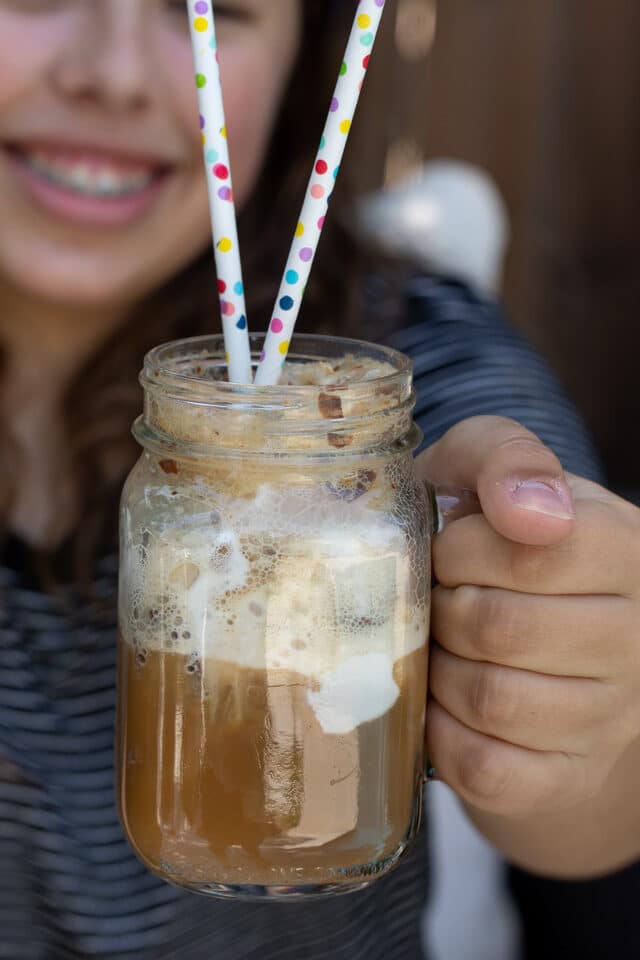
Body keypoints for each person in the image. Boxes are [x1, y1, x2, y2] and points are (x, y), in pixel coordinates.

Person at [0, 2, 638, 958]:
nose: (115, 75)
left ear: (301, 67)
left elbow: (596, 821)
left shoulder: (428, 368)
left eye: (207, 10)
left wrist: (572, 707)